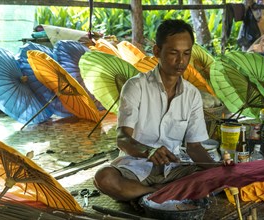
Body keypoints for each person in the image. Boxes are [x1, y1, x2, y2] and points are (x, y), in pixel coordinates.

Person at [93, 19, 231, 203]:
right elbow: (123, 139)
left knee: (221, 179)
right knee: (104, 178)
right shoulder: (136, 86)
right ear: (157, 52)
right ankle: (162, 192)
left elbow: (195, 148)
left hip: (174, 168)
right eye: (174, 53)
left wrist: (217, 167)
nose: (181, 61)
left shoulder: (192, 95)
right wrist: (148, 151)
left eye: (186, 53)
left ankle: (146, 194)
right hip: (136, 166)